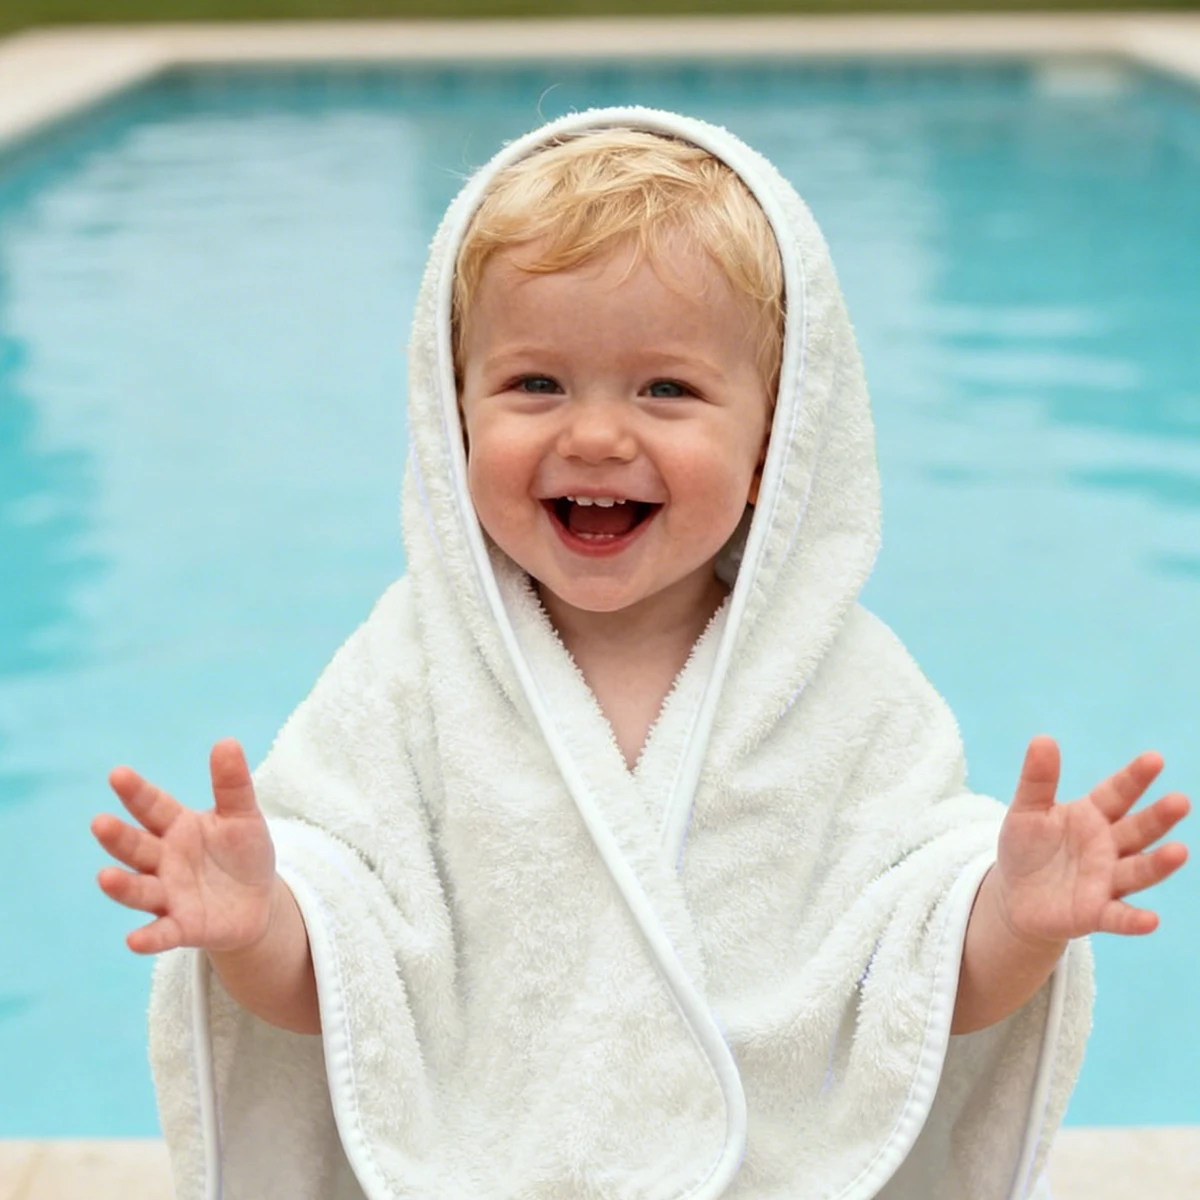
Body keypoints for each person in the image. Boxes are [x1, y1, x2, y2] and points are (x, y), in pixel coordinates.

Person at [91, 110, 1188, 1200]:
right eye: (536, 384)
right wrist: (259, 929)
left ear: (773, 449)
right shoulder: (407, 676)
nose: (596, 436)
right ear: (452, 418)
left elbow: (918, 1001)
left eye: (667, 389)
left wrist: (1013, 923)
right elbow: (344, 1008)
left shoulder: (846, 690)